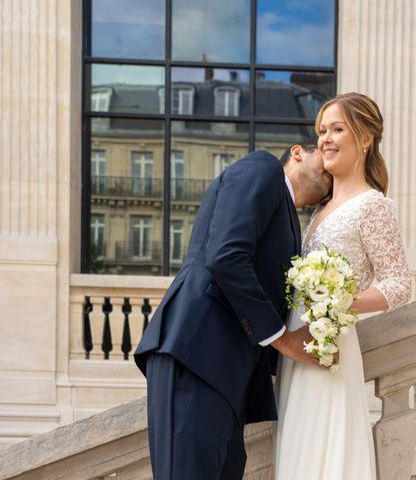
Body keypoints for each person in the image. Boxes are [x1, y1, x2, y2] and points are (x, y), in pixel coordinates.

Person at [133, 143, 332, 480]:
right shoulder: (263, 168)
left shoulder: (288, 221)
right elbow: (226, 256)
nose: (329, 172)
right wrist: (284, 341)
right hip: (196, 353)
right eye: (323, 160)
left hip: (226, 372)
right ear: (297, 152)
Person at [275, 93, 412, 479]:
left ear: (365, 138)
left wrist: (337, 304)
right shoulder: (319, 206)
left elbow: (400, 283)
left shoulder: (374, 205)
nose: (326, 139)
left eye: (337, 129)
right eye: (322, 131)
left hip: (328, 348)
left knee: (325, 454)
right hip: (297, 347)